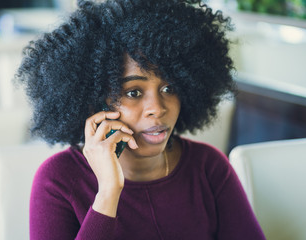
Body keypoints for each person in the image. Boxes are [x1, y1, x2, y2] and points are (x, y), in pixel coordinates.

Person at [16, 0, 266, 239]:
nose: (156, 108)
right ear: (94, 101)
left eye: (169, 88)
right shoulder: (58, 180)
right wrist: (108, 193)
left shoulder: (209, 167)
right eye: (133, 92)